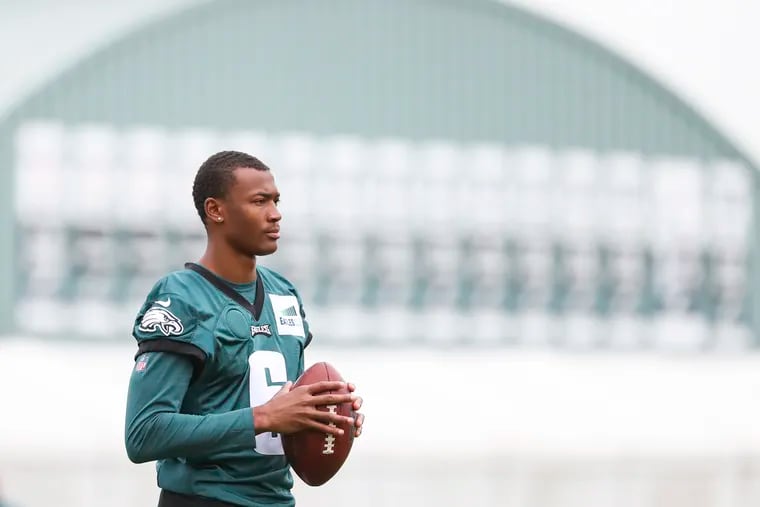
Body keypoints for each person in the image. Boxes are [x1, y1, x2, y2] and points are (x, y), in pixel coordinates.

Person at [125, 150, 364, 507]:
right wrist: (264, 416)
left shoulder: (285, 294)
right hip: (203, 499)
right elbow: (143, 433)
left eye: (276, 200)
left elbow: (284, 407)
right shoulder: (182, 298)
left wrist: (324, 417)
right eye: (259, 201)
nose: (275, 213)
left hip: (275, 499)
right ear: (215, 210)